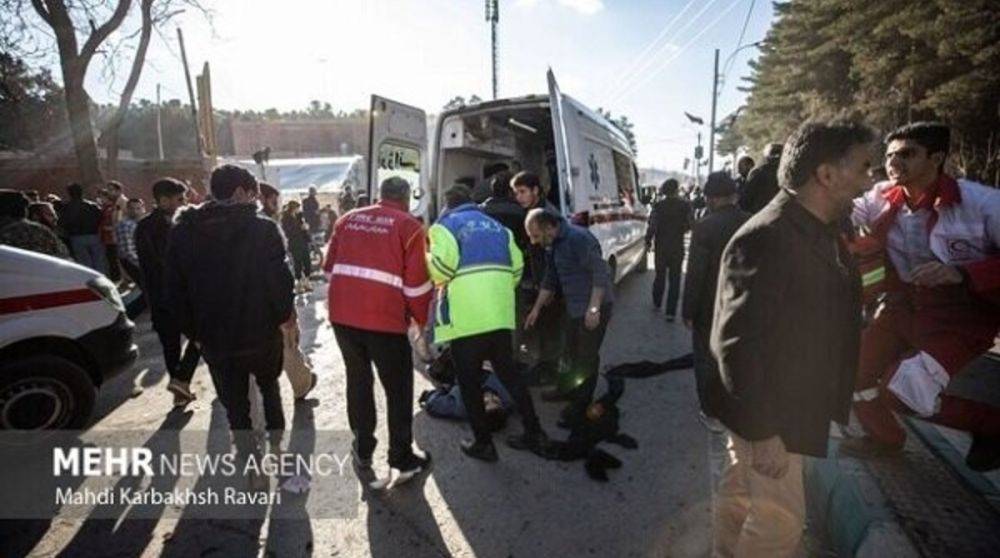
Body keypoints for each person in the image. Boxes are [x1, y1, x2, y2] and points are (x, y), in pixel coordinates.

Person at [711, 121, 872, 557]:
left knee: (740, 493)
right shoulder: (770, 235)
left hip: (780, 407)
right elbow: (737, 344)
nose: (869, 180)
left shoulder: (819, 229)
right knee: (779, 526)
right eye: (863, 167)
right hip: (772, 416)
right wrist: (764, 432)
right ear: (826, 174)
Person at [841, 122, 1000, 471]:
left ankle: (992, 426)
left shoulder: (984, 204)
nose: (895, 162)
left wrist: (963, 273)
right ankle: (883, 439)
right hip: (901, 308)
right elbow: (845, 210)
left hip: (961, 318)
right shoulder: (881, 197)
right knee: (851, 373)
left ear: (937, 158)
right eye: (890, 155)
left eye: (907, 154)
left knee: (904, 390)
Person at [165, 165, 295, 459]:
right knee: (269, 388)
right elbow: (280, 282)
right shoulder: (262, 229)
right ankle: (276, 447)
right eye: (253, 195)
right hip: (261, 333)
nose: (256, 202)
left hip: (214, 338)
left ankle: (251, 461)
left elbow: (174, 290)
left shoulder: (184, 231)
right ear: (239, 193)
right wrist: (282, 317)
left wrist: (195, 334)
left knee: (234, 404)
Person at [428, 185, 549, 462]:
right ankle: (535, 432)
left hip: (468, 319)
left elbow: (442, 269)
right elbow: (517, 269)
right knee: (510, 376)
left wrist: (426, 260)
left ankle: (483, 444)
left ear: (448, 204)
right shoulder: (497, 227)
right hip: (500, 317)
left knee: (469, 384)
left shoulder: (444, 226)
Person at [321, 176, 432, 477]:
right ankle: (401, 457)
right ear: (407, 199)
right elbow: (417, 287)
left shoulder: (346, 220)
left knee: (358, 382)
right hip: (384, 321)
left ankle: (362, 448)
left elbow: (328, 269)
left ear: (379, 195)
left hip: (343, 318)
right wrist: (420, 322)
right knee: (397, 389)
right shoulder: (409, 227)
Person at [525, 208, 614, 426]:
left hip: (593, 306)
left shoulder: (578, 238)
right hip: (574, 307)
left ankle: (581, 406)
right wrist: (536, 309)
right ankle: (566, 390)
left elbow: (600, 273)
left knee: (586, 356)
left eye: (536, 235)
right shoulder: (553, 245)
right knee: (569, 352)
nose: (534, 242)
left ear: (548, 227)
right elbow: (550, 278)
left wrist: (593, 309)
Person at [681, 172, 749, 431]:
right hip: (744, 304)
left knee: (707, 359)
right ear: (734, 195)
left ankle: (711, 412)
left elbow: (695, 274)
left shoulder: (705, 227)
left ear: (709, 199)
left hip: (710, 307)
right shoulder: (752, 222)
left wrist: (688, 310)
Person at [136, 179, 202, 407]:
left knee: (194, 339)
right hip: (167, 295)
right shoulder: (147, 227)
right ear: (163, 200)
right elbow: (152, 264)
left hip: (177, 294)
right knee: (178, 342)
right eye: (179, 199)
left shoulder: (184, 222)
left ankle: (180, 382)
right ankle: (181, 385)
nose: (184, 203)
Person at [511, 171, 564, 391]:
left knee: (550, 327)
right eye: (516, 193)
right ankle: (545, 367)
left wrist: (547, 288)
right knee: (543, 327)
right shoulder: (533, 211)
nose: (519, 197)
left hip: (550, 281)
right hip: (541, 279)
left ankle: (549, 371)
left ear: (535, 190)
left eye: (523, 192)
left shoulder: (546, 215)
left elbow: (552, 256)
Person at [645, 178, 692, 321]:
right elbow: (690, 224)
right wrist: (681, 230)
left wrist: (648, 240)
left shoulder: (658, 206)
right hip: (677, 245)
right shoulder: (685, 206)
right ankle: (670, 312)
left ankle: (657, 302)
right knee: (675, 278)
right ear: (677, 190)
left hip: (661, 246)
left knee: (660, 275)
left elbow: (652, 225)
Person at [0, 189, 70, 258]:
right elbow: (63, 255)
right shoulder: (40, 231)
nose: (55, 218)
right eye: (50, 215)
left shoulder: (10, 231)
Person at [60, 183, 107, 273]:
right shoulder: (92, 206)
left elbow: (63, 222)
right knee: (99, 262)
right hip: (94, 235)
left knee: (85, 263)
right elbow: (101, 217)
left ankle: (90, 282)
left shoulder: (66, 207)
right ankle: (102, 280)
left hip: (76, 237)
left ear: (69, 193)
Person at [739, 142, 783, 214]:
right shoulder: (789, 170)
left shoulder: (757, 171)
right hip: (786, 216)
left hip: (761, 215)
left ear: (765, 155)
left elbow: (746, 199)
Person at [280, 200, 313, 294]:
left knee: (307, 261)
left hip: (303, 241)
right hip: (294, 243)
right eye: (297, 207)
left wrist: (306, 229)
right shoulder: (285, 218)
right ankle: (299, 284)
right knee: (297, 263)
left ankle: (307, 282)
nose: (299, 209)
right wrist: (300, 228)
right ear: (293, 208)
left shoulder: (300, 216)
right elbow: (287, 231)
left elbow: (303, 226)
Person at [99, 181, 127, 282]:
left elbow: (122, 220)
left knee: (122, 260)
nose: (109, 192)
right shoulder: (115, 202)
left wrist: (111, 228)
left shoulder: (122, 202)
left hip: (122, 236)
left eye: (111, 190)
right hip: (115, 236)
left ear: (118, 190)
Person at [115, 198, 145, 287]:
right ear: (127, 209)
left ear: (143, 209)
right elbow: (128, 252)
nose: (135, 211)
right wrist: (144, 265)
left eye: (138, 208)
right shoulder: (125, 225)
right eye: (132, 208)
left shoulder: (139, 223)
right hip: (134, 264)